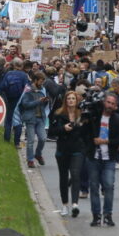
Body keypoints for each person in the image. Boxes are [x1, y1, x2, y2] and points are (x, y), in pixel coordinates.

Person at [83, 91, 119, 227]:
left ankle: (108, 214)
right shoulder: (94, 117)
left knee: (108, 186)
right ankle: (96, 215)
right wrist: (92, 140)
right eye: (108, 102)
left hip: (109, 158)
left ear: (115, 106)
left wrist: (107, 141)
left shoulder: (117, 120)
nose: (110, 105)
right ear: (103, 102)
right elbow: (83, 134)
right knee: (94, 186)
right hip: (94, 157)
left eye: (113, 104)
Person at [49, 90, 87, 218]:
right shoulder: (59, 114)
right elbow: (52, 132)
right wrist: (63, 129)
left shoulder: (81, 114)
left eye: (73, 99)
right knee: (64, 177)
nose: (71, 101)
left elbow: (87, 131)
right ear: (65, 101)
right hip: (63, 149)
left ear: (77, 101)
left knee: (75, 174)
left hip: (77, 149)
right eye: (69, 98)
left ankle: (75, 204)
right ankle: (65, 204)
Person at [18, 72, 49, 168]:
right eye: (40, 81)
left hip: (40, 118)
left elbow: (43, 105)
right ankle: (30, 159)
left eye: (43, 81)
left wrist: (46, 101)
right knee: (30, 140)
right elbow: (25, 104)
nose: (42, 83)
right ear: (35, 80)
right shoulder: (28, 90)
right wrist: (38, 101)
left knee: (43, 138)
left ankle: (38, 154)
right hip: (31, 118)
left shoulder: (42, 90)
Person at [0, 59, 30, 143]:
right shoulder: (24, 75)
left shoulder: (8, 74)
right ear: (21, 66)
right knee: (18, 120)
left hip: (9, 99)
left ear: (13, 65)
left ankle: (7, 139)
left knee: (8, 120)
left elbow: (2, 87)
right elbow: (27, 89)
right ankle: (17, 142)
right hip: (20, 100)